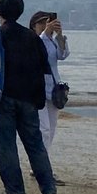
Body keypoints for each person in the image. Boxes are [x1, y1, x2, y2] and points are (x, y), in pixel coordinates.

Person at [0, 0, 56, 194]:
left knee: (6, 144)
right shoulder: (32, 37)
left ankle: (15, 190)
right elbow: (44, 66)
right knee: (35, 144)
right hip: (29, 97)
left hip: (3, 96)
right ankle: (48, 190)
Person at [30, 11, 70, 164]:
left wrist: (59, 35)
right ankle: (40, 165)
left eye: (47, 22)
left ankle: (42, 161)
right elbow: (38, 53)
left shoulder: (51, 41)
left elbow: (63, 54)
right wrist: (46, 32)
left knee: (51, 129)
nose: (45, 26)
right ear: (34, 26)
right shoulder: (33, 40)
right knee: (43, 129)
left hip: (53, 90)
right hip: (37, 90)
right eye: (41, 23)